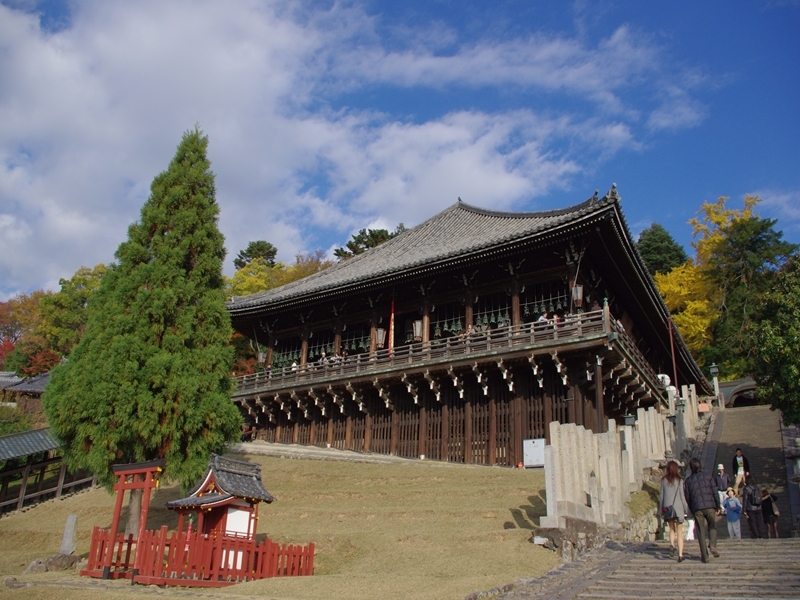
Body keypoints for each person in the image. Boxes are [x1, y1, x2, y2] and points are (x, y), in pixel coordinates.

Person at [683, 457, 720, 563]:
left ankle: (705, 556)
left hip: (697, 508)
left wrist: (691, 508)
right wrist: (717, 506)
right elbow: (714, 492)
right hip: (710, 506)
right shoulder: (708, 477)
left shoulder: (688, 481)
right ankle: (713, 545)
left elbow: (688, 497)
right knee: (712, 527)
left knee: (700, 531)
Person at [660, 460, 689, 562]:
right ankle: (680, 555)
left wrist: (661, 511)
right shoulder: (679, 480)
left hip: (668, 508)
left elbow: (662, 497)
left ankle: (672, 544)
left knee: (671, 529)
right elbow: (682, 496)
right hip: (678, 508)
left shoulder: (664, 480)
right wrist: (686, 509)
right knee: (679, 532)